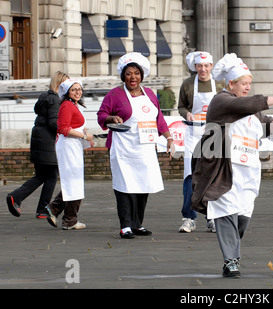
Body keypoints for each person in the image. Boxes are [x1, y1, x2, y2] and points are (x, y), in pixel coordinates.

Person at [191, 53, 273, 278]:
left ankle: (232, 251)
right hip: (223, 170)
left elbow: (262, 122)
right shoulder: (221, 101)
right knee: (226, 210)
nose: (247, 88)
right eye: (243, 84)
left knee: (243, 215)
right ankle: (231, 261)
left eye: (249, 84)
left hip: (248, 171)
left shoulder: (250, 108)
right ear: (231, 83)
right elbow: (244, 104)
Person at [97, 52, 173, 239]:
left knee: (143, 185)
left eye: (136, 73)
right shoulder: (114, 94)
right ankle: (125, 226)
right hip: (124, 148)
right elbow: (101, 115)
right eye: (129, 73)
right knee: (125, 186)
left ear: (142, 75)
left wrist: (169, 138)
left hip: (145, 148)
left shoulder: (149, 94)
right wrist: (111, 118)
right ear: (123, 76)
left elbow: (159, 119)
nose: (133, 77)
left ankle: (138, 224)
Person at [6, 71, 69, 219]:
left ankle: (37, 207)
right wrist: (68, 128)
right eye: (66, 85)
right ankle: (21, 199)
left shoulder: (45, 98)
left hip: (40, 142)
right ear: (59, 85)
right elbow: (54, 123)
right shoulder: (55, 101)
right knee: (50, 176)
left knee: (43, 176)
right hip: (48, 144)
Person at [177, 51, 222, 233]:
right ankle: (189, 217)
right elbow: (181, 106)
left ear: (211, 66)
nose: (203, 69)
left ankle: (212, 217)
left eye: (206, 66)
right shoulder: (187, 84)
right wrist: (186, 113)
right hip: (193, 133)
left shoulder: (219, 84)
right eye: (199, 66)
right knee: (190, 176)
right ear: (194, 67)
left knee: (212, 176)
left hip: (214, 133)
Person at [43, 79, 94, 230]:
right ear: (67, 93)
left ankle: (60, 212)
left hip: (73, 145)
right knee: (74, 180)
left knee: (74, 180)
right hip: (68, 146)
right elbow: (63, 129)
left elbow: (75, 126)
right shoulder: (66, 105)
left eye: (79, 89)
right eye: (74, 90)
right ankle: (66, 216)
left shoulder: (73, 105)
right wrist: (84, 137)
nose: (78, 92)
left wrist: (85, 137)